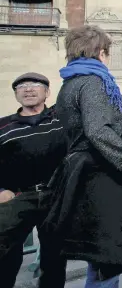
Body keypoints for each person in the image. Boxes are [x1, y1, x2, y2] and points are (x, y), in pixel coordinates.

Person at [43, 25, 122, 288]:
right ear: (102, 53)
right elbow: (97, 131)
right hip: (100, 180)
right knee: (106, 263)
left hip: (91, 177)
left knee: (100, 264)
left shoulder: (73, 81)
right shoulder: (93, 82)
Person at [0, 72, 68, 288]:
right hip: (18, 197)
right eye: (22, 86)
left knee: (55, 258)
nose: (28, 89)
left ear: (47, 92)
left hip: (55, 196)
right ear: (16, 94)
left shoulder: (61, 118)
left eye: (35, 84)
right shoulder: (3, 126)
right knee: (5, 256)